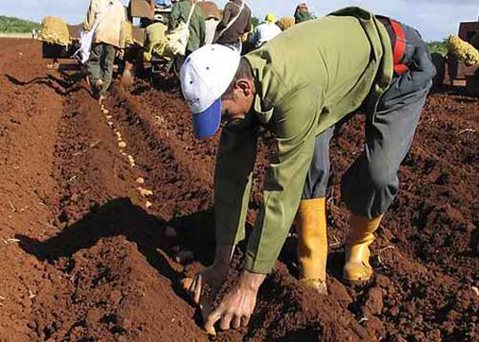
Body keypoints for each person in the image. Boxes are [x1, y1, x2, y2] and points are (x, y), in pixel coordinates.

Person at [179, 7, 435, 334]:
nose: (224, 124)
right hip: (336, 75)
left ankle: (357, 246)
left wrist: (249, 285)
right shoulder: (242, 86)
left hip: (400, 65)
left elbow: (282, 187)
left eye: (224, 115)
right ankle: (313, 258)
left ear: (243, 88)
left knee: (378, 174)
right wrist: (221, 262)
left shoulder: (292, 90)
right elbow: (230, 177)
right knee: (313, 156)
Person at [84, 0, 127, 100]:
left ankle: (96, 81)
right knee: (108, 65)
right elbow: (123, 27)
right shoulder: (119, 6)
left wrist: (86, 31)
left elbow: (89, 21)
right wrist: (121, 46)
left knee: (94, 62)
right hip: (113, 39)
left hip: (99, 36)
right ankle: (103, 92)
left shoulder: (96, 1)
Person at [169, 0, 206, 71]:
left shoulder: (179, 5)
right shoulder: (199, 9)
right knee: (191, 67)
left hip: (181, 42)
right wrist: (201, 44)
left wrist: (172, 31)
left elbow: (172, 18)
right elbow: (203, 29)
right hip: (194, 44)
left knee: (180, 66)